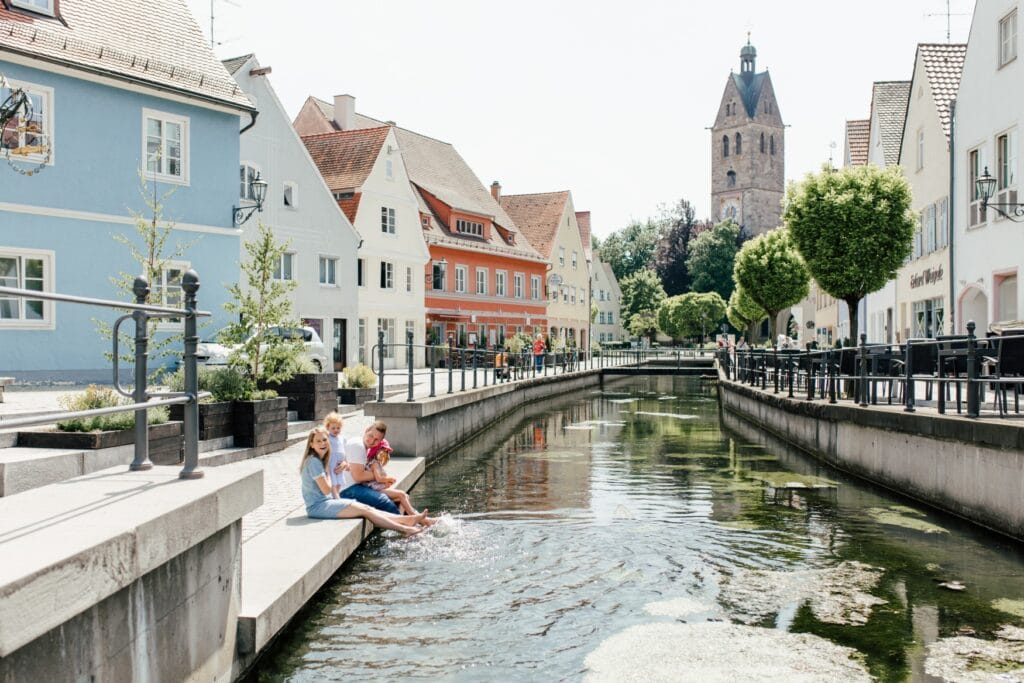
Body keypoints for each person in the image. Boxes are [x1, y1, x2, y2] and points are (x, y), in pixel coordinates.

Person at [298, 427, 430, 536]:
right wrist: (329, 470)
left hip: (327, 502)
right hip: (318, 507)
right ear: (311, 444)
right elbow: (326, 489)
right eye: (318, 441)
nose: (323, 443)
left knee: (368, 509)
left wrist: (343, 464)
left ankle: (407, 521)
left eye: (325, 440)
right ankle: (405, 528)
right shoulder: (314, 462)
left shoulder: (320, 459)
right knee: (366, 510)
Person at [338, 421, 407, 514]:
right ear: (366, 431)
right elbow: (358, 476)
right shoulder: (358, 445)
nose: (372, 441)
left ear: (380, 441)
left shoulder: (365, 447)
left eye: (376, 440)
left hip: (356, 486)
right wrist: (380, 477)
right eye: (371, 436)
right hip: (347, 490)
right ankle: (405, 523)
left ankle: (419, 520)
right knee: (385, 502)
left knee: (401, 496)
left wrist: (380, 478)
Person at [364, 436, 419, 515]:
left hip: (378, 488)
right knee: (402, 494)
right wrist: (388, 479)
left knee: (405, 496)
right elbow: (378, 478)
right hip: (375, 490)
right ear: (378, 450)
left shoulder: (378, 463)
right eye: (384, 450)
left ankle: (401, 515)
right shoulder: (374, 463)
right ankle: (412, 516)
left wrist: (386, 484)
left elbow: (377, 481)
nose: (386, 453)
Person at [323, 412, 347, 496]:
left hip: (339, 464)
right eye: (333, 428)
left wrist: (345, 462)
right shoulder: (327, 438)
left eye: (338, 428)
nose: (336, 430)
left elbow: (345, 450)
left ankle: (337, 495)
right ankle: (335, 497)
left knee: (339, 482)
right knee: (333, 481)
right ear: (328, 428)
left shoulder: (342, 438)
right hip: (331, 463)